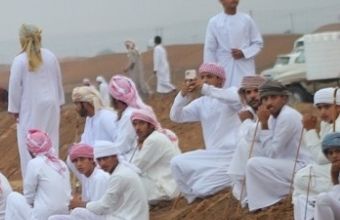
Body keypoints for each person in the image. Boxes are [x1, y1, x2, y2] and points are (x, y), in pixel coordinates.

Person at [48, 141, 150, 220]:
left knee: (77, 216)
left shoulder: (110, 177)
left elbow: (102, 208)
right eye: (100, 160)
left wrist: (81, 205)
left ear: (114, 157)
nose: (102, 163)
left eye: (105, 159)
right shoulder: (114, 174)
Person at [168, 62, 242, 201]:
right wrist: (182, 95)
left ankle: (233, 178)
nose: (205, 80)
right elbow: (176, 116)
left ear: (220, 79)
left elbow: (235, 99)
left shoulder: (231, 93)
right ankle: (191, 196)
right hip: (211, 156)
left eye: (209, 76)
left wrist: (205, 88)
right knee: (176, 163)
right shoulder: (201, 103)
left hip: (232, 155)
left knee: (201, 189)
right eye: (202, 77)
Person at [236, 80, 312, 211]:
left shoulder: (287, 116)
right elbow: (258, 138)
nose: (269, 103)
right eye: (265, 99)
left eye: (273, 97)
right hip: (286, 161)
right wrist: (263, 123)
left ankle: (263, 201)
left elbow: (271, 153)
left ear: (284, 98)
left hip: (301, 166)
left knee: (253, 164)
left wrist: (264, 124)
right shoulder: (274, 115)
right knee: (246, 146)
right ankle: (245, 195)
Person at [8, 24, 64, 178]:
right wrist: (59, 101)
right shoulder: (50, 56)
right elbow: (58, 80)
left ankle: (33, 185)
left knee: (30, 146)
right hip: (51, 107)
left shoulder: (19, 61)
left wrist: (14, 109)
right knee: (51, 143)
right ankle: (54, 178)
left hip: (30, 109)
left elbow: (14, 87)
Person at [4, 129, 70, 220]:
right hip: (64, 218)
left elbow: (29, 196)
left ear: (30, 150)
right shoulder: (60, 163)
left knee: (12, 197)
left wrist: (34, 203)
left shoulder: (34, 164)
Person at [293, 88, 340, 220]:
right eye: (319, 108)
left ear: (338, 106)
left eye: (327, 107)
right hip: (330, 168)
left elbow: (321, 158)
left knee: (303, 179)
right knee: (302, 179)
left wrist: (310, 130)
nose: (323, 112)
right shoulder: (329, 123)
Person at [204, 0, 263, 88]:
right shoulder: (214, 22)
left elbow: (257, 43)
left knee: (246, 94)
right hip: (223, 66)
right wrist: (209, 73)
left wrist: (244, 52)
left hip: (244, 65)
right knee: (224, 96)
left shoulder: (246, 20)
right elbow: (210, 49)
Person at [129, 107, 179, 204]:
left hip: (166, 189)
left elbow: (136, 168)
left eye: (141, 123)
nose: (137, 128)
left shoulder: (153, 140)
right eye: (135, 124)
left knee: (127, 181)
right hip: (166, 185)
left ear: (151, 125)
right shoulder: (153, 138)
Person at [107, 75, 148, 162]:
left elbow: (122, 147)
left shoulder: (129, 115)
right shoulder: (126, 113)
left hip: (133, 160)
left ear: (115, 99)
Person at [310, 133, 340, 220]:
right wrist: (335, 179)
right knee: (301, 200)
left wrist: (334, 178)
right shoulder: (335, 169)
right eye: (330, 153)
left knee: (322, 198)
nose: (334, 156)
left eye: (338, 151)